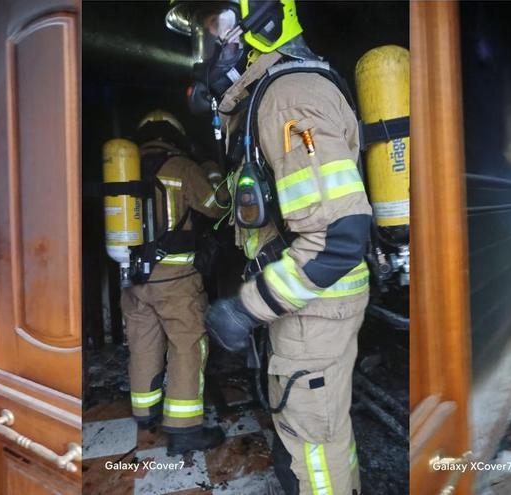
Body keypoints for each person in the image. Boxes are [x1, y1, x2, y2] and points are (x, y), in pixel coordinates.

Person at [166, 2, 370, 493]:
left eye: (214, 26)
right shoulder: (270, 97)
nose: (209, 44)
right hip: (306, 305)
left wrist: (245, 309)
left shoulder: (291, 98)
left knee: (315, 450)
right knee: (314, 435)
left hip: (315, 307)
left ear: (259, 22)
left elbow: (337, 238)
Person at [123, 110, 229, 455]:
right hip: (177, 278)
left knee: (143, 342)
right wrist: (212, 171)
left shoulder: (124, 168)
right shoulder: (181, 167)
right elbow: (218, 208)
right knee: (186, 344)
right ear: (174, 135)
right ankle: (183, 430)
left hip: (133, 277)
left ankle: (145, 412)